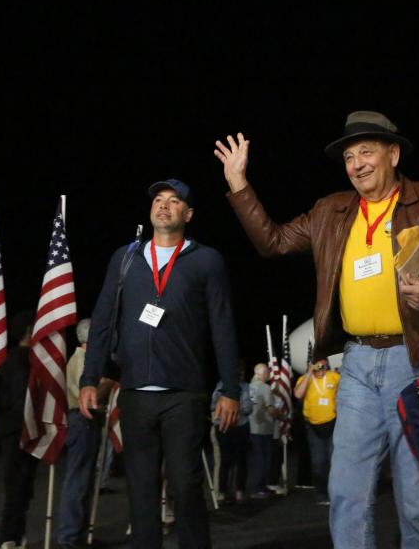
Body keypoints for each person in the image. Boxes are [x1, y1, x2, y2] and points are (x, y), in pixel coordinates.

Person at [215, 111, 419, 548]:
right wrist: (239, 184)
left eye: (367, 151)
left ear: (394, 153)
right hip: (358, 365)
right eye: (349, 156)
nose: (357, 164)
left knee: (417, 494)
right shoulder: (332, 210)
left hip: (414, 362)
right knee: (346, 490)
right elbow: (272, 242)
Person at [78, 178, 241, 549]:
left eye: (174, 200)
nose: (163, 205)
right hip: (135, 394)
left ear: (188, 213)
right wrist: (91, 378)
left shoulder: (206, 260)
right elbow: (103, 321)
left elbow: (222, 326)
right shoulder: (126, 258)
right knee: (141, 490)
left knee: (185, 486)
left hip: (184, 395)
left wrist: (230, 389)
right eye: (158, 199)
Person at [0, 310, 40, 549]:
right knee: (18, 487)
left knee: (20, 486)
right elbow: (23, 397)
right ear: (29, 332)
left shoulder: (7, 358)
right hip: (20, 428)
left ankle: (15, 535)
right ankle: (8, 537)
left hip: (10, 427)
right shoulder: (24, 360)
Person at [56, 318, 103, 549]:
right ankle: (70, 537)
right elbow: (89, 396)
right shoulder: (84, 361)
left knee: (83, 478)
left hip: (80, 421)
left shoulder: (78, 359)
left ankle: (77, 533)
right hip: (82, 420)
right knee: (79, 479)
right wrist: (107, 383)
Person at [294, 357, 341, 505]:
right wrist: (309, 374)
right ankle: (321, 494)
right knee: (319, 463)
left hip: (333, 425)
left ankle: (335, 494)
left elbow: (343, 392)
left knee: (334, 461)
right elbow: (298, 394)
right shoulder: (304, 379)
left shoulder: (334, 376)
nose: (321, 370)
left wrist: (339, 402)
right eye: (318, 367)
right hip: (314, 427)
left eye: (323, 367)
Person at [211, 362, 253, 505]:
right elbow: (214, 406)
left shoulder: (246, 387)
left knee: (241, 461)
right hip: (224, 427)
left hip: (241, 426)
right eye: (239, 373)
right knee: (225, 461)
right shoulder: (220, 386)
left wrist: (234, 408)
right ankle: (223, 492)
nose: (241, 376)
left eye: (242, 373)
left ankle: (239, 491)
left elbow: (248, 407)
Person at [247, 362, 278, 499]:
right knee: (264, 459)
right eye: (267, 373)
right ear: (261, 374)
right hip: (264, 428)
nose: (269, 375)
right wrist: (281, 415)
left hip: (250, 427)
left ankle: (259, 487)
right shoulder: (265, 388)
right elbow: (270, 408)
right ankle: (259, 488)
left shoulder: (249, 387)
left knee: (257, 459)